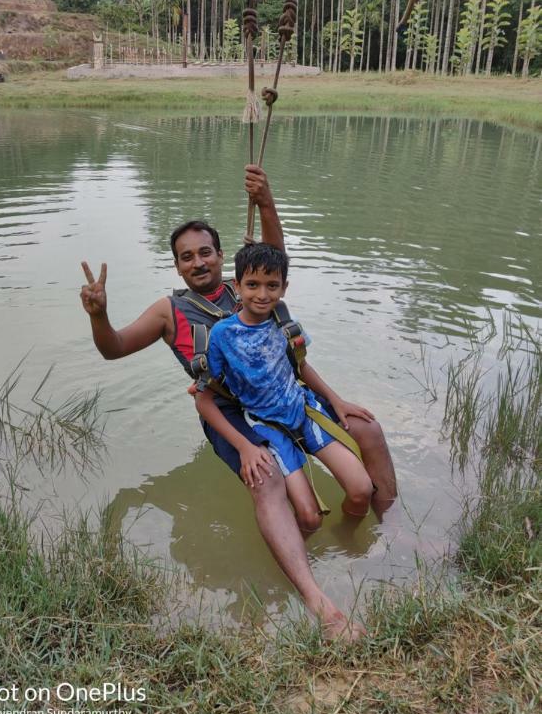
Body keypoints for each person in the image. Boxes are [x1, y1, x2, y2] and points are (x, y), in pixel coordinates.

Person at [80, 166, 397, 638]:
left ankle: (391, 528)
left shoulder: (247, 284)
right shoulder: (170, 311)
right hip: (232, 410)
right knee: (267, 480)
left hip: (287, 392)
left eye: (205, 252)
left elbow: (277, 260)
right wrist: (100, 315)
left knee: (367, 429)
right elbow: (114, 348)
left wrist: (266, 200)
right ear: (177, 266)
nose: (197, 262)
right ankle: (320, 605)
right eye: (186, 257)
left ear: (221, 256)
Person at [195, 243, 375, 635]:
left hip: (302, 412)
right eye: (252, 284)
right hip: (266, 427)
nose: (262, 294)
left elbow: (301, 366)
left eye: (272, 285)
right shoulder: (223, 335)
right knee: (309, 516)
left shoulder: (285, 322)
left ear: (284, 287)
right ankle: (295, 561)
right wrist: (244, 445)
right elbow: (204, 400)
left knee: (361, 488)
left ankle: (346, 538)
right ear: (237, 286)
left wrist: (336, 400)